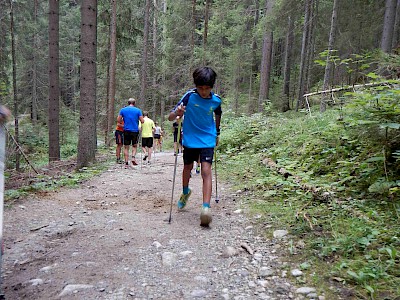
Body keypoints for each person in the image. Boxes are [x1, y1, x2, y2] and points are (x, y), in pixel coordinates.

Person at [168, 67, 222, 227]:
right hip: (190, 139)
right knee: (187, 168)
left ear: (212, 86)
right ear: (196, 86)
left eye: (207, 88)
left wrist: (217, 132)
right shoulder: (189, 96)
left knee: (206, 170)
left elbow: (218, 114)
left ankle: (206, 208)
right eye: (200, 88)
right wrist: (178, 112)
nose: (204, 91)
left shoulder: (216, 100)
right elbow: (171, 117)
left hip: (207, 139)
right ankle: (185, 192)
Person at [117, 98, 144, 168]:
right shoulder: (138, 110)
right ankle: (133, 157)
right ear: (134, 103)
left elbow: (118, 120)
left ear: (128, 103)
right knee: (134, 145)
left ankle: (126, 163)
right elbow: (142, 121)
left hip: (126, 130)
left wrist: (124, 123)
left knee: (126, 147)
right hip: (135, 130)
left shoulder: (123, 110)